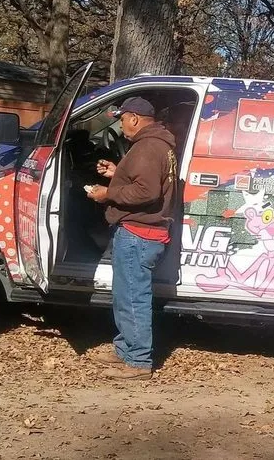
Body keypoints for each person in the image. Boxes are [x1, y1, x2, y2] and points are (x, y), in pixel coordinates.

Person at [86, 96, 178, 380]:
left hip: (139, 234)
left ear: (135, 118)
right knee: (124, 295)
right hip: (141, 233)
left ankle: (138, 361)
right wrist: (118, 173)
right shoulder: (158, 145)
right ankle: (125, 349)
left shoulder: (148, 146)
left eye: (123, 119)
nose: (121, 125)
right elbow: (147, 180)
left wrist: (107, 193)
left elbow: (146, 192)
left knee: (133, 298)